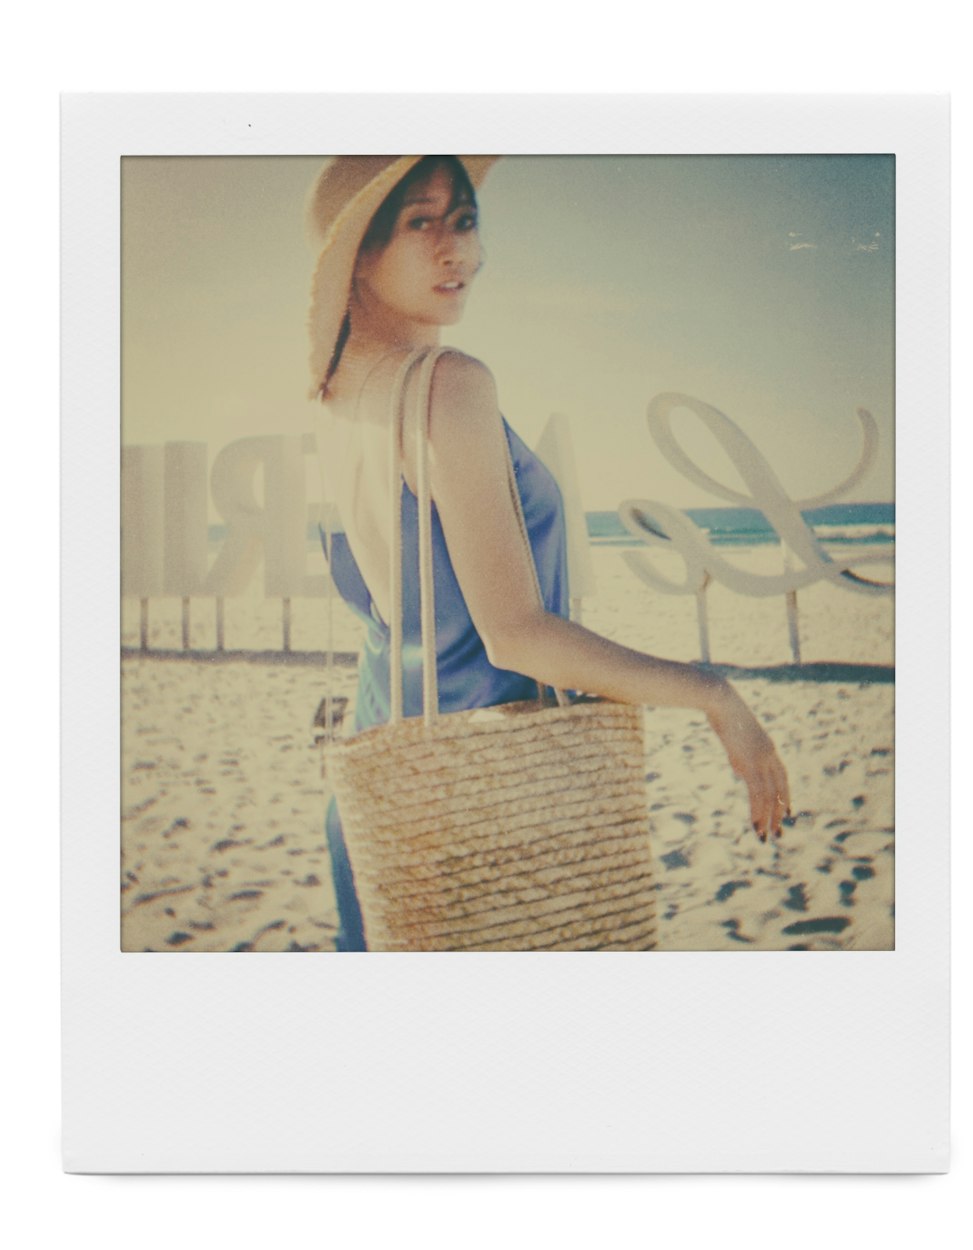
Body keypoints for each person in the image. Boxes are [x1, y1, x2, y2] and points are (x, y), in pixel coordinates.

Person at [306, 155, 791, 951]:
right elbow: (515, 634)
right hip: (489, 798)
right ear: (360, 249)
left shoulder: (339, 396)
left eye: (464, 219)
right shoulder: (448, 386)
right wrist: (715, 694)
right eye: (421, 223)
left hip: (382, 792)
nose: (456, 248)